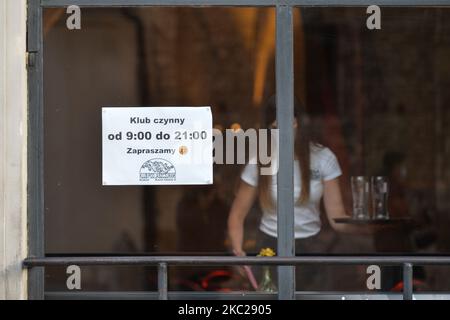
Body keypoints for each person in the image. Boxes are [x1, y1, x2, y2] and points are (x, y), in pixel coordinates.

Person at [227, 95, 357, 290]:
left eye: (290, 124)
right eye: (275, 127)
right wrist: (239, 254)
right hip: (270, 246)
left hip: (312, 247)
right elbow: (237, 216)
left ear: (300, 124)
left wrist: (368, 228)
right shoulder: (260, 161)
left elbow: (337, 218)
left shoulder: (323, 158)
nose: (283, 132)